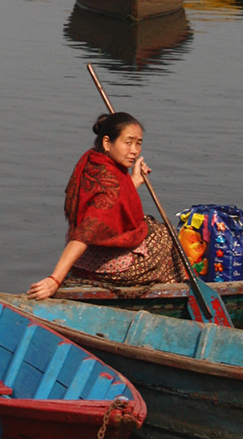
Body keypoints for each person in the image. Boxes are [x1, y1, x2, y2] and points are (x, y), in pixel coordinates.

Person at [28, 111, 189, 299]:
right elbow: (85, 233)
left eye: (138, 143)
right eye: (128, 142)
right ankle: (174, 287)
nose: (134, 151)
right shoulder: (109, 190)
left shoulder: (92, 160)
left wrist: (133, 181)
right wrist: (54, 280)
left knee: (153, 226)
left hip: (84, 258)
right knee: (167, 241)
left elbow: (117, 200)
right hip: (105, 264)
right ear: (107, 143)